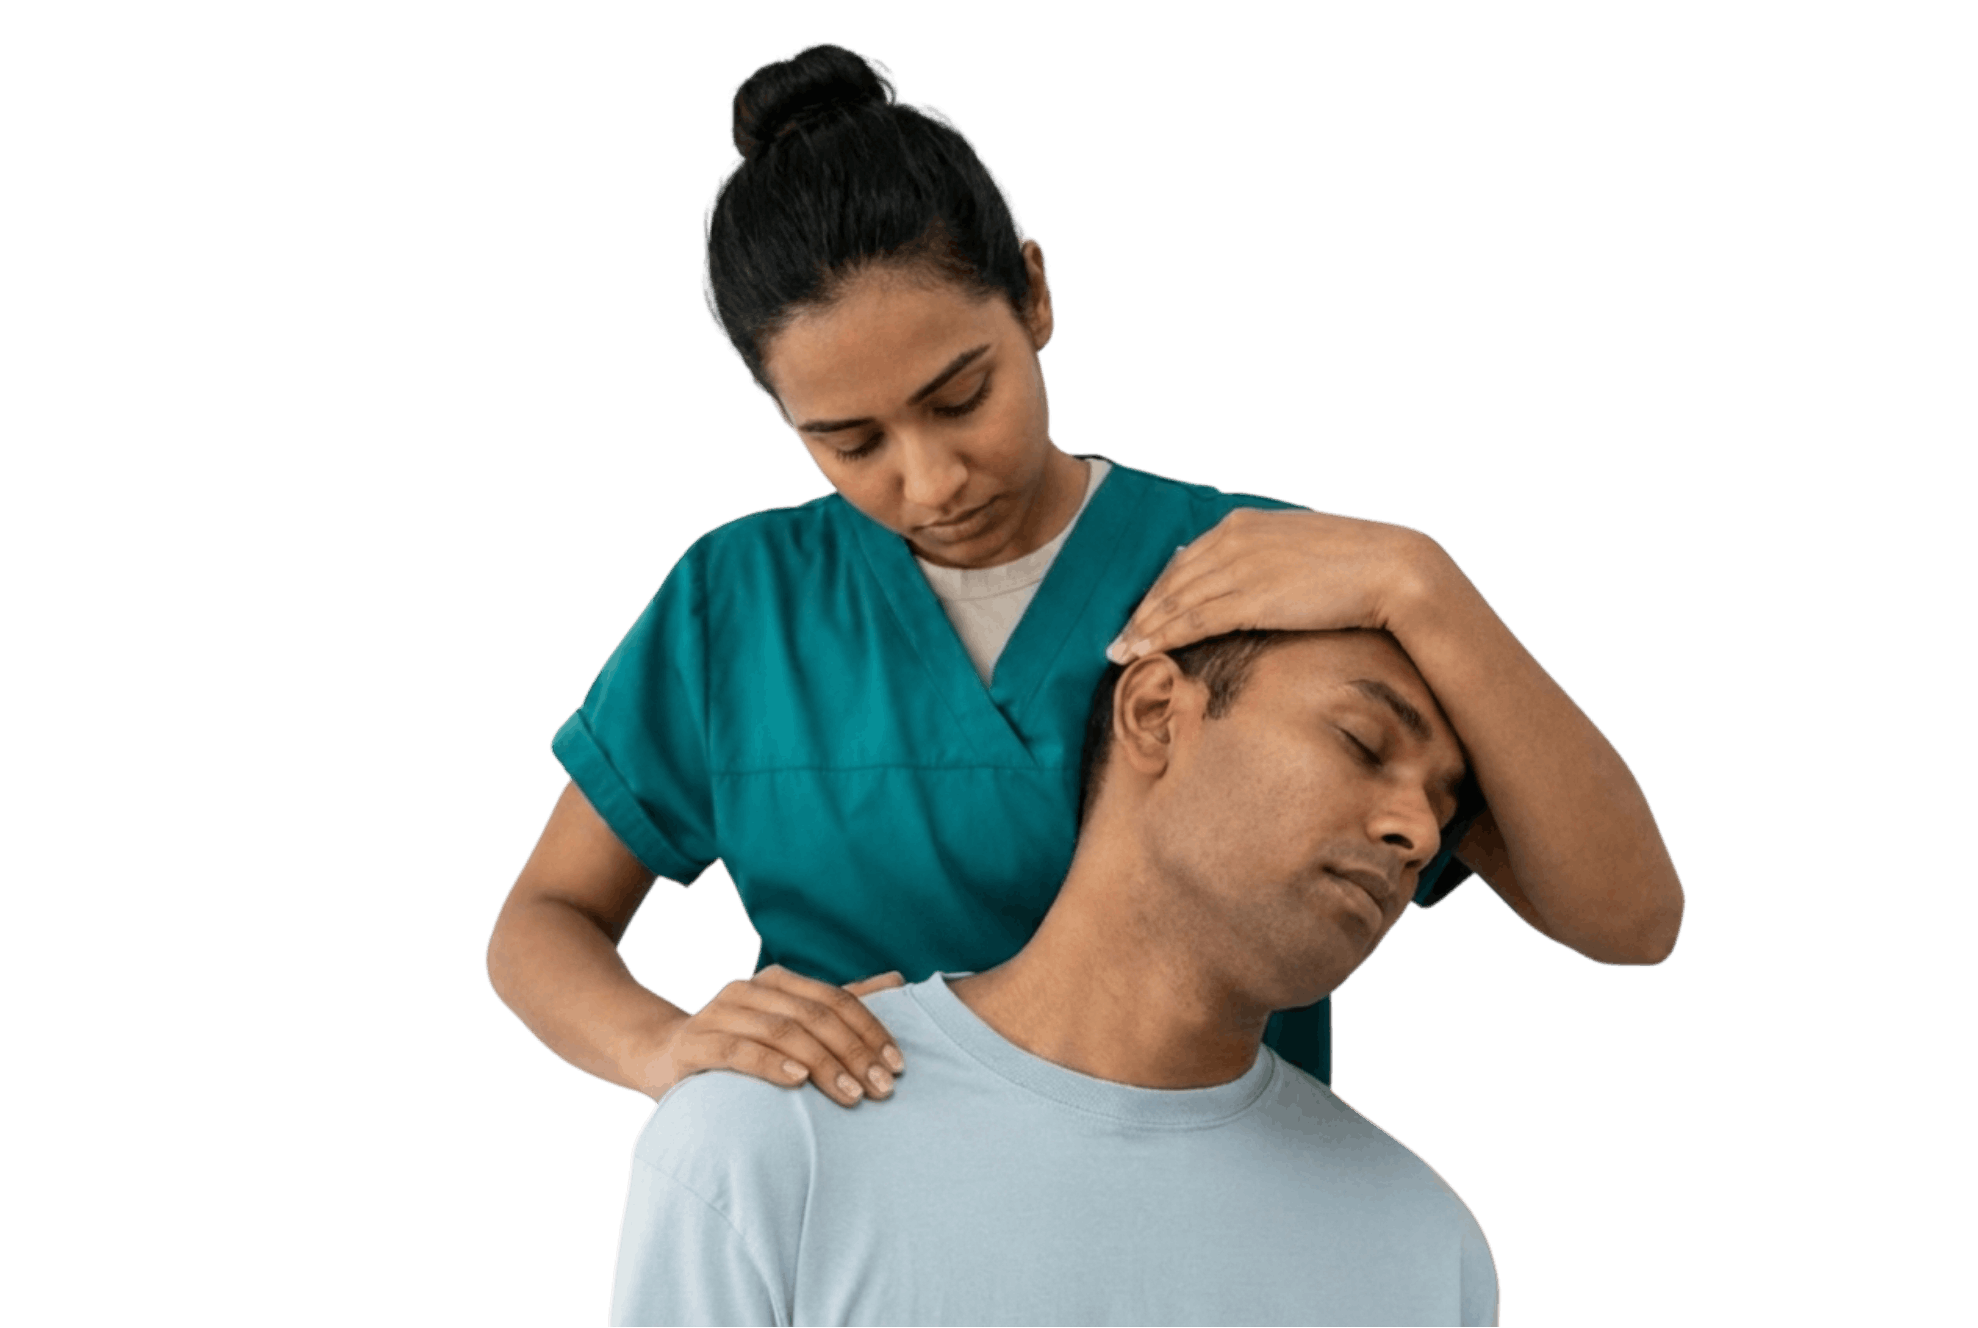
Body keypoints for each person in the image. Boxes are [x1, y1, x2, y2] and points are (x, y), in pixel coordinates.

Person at [485, 37, 1681, 1304]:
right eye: (850, 441)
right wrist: (668, 1049)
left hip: (1228, 1235)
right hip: (860, 1227)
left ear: (1036, 294)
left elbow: (1628, 917)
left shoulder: (1265, 577)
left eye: (962, 396)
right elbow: (542, 918)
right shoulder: (739, 602)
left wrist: (1423, 582)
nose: (930, 479)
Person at [607, 623, 1500, 1326]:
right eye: (1363, 740)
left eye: (1444, 807)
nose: (1418, 833)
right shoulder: (769, 1140)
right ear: (1156, 712)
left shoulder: (1426, 1244)